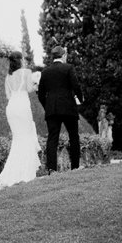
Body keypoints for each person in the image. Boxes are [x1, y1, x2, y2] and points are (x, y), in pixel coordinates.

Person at [0, 51, 41, 188]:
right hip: (22, 106)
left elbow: (8, 95)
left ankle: (13, 172)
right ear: (20, 60)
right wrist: (37, 83)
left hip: (11, 108)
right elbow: (29, 88)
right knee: (26, 137)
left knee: (18, 138)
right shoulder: (26, 72)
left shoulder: (8, 76)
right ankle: (25, 172)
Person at [38, 45, 84, 173]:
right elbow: (76, 85)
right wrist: (81, 99)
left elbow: (41, 94)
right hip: (68, 107)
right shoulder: (68, 68)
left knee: (52, 138)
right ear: (63, 56)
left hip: (52, 109)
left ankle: (52, 169)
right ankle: (75, 167)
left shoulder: (45, 72)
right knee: (74, 136)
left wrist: (47, 106)